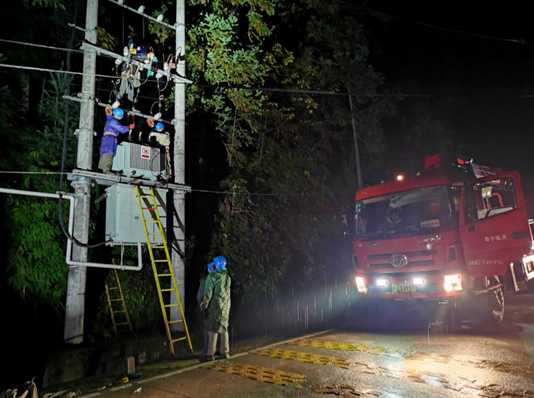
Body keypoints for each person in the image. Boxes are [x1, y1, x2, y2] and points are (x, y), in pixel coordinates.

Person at [200, 255, 231, 362]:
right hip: (226, 306)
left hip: (215, 306)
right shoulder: (227, 277)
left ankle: (210, 354)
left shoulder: (212, 276)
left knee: (212, 328)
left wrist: (203, 306)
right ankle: (224, 351)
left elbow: (207, 295)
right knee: (224, 327)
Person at [98, 108, 135, 174]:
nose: (120, 118)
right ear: (117, 115)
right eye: (120, 116)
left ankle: (102, 170)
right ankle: (107, 171)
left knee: (105, 154)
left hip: (107, 138)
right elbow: (121, 128)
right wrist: (129, 127)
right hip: (110, 138)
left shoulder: (110, 119)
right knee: (109, 153)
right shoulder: (113, 120)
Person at [196, 262, 214, 359]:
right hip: (216, 309)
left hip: (206, 308)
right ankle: (213, 350)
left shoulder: (206, 280)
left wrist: (201, 307)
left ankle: (207, 351)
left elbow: (200, 296)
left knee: (206, 330)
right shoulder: (219, 279)